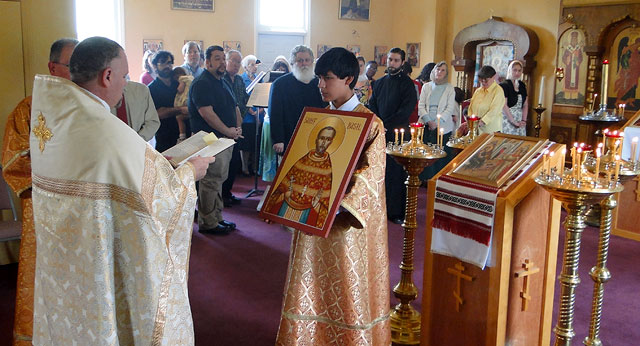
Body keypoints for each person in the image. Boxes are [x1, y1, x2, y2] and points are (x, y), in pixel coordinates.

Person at [28, 36, 213, 345]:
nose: (126, 83)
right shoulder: (105, 128)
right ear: (108, 76)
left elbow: (114, 175)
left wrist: (156, 164)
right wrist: (190, 172)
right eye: (125, 75)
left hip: (64, 263)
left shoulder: (55, 119)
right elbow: (162, 201)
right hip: (97, 265)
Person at [276, 47, 390, 345]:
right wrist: (286, 194)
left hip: (343, 224)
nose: (320, 85)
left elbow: (371, 177)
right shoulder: (317, 119)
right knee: (311, 282)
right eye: (319, 79)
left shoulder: (371, 124)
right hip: (312, 217)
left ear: (349, 79)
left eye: (327, 78)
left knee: (344, 283)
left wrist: (340, 204)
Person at [1, 37, 77, 346]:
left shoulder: (91, 109)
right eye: (75, 66)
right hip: (46, 210)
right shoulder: (29, 109)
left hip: (86, 211)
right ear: (53, 68)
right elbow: (12, 162)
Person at [189, 45, 243, 233]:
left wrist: (237, 128)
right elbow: (207, 113)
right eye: (217, 58)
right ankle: (208, 222)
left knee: (218, 179)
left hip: (225, 138)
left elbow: (234, 106)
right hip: (210, 140)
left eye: (223, 58)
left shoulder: (222, 81)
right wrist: (228, 131)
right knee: (210, 180)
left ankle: (217, 217)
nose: (222, 62)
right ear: (207, 62)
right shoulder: (202, 83)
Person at [367, 47, 417, 224]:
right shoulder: (379, 83)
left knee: (396, 174)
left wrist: (386, 125)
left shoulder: (408, 84)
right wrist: (378, 124)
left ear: (402, 63)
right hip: (380, 134)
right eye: (390, 60)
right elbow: (371, 105)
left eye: (396, 60)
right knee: (380, 171)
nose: (392, 63)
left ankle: (396, 211)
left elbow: (405, 111)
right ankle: (379, 207)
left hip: (398, 135)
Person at [265, 125, 335, 227]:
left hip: (309, 212)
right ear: (316, 139)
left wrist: (316, 205)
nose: (323, 143)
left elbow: (325, 203)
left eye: (328, 139)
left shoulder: (328, 168)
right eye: (322, 138)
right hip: (288, 204)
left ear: (331, 142)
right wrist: (285, 194)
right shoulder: (302, 160)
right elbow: (281, 188)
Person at [269, 45, 327, 154]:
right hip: (289, 136)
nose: (304, 63)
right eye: (300, 60)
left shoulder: (319, 83)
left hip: (315, 137)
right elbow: (275, 114)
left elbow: (325, 108)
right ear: (292, 63)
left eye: (307, 60)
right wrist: (278, 139)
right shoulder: (280, 84)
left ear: (312, 62)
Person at [417, 61, 458, 180]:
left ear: (446, 73)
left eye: (442, 70)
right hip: (426, 123)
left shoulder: (450, 88)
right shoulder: (426, 86)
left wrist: (436, 123)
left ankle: (438, 180)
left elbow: (449, 108)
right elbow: (421, 105)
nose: (439, 72)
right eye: (437, 69)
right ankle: (425, 179)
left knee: (440, 155)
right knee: (426, 153)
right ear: (433, 71)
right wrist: (429, 121)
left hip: (442, 126)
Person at [222, 50, 249, 206]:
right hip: (224, 128)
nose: (237, 65)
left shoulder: (239, 80)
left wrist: (240, 123)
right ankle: (222, 194)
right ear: (226, 61)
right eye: (234, 61)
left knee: (234, 163)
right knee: (224, 164)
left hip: (238, 126)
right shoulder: (221, 79)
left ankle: (228, 192)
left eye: (239, 62)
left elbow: (244, 100)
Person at [148, 50, 190, 151]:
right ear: (154, 66)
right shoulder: (151, 88)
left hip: (186, 136)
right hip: (165, 138)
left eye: (170, 63)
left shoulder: (179, 84)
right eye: (163, 62)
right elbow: (158, 114)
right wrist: (180, 110)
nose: (167, 66)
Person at [467, 65, 505, 134]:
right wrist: (470, 122)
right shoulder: (478, 91)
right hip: (476, 129)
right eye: (481, 80)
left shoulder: (498, 91)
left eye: (486, 80)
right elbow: (471, 107)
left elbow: (494, 110)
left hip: (490, 130)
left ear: (493, 77)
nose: (483, 83)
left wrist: (482, 122)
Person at [500, 60, 528, 136]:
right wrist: (513, 121)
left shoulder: (522, 85)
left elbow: (525, 104)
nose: (517, 73)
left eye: (519, 70)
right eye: (515, 70)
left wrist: (523, 120)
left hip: (520, 119)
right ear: (510, 70)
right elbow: (504, 105)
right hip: (508, 119)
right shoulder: (504, 85)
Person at [172, 66, 193, 141]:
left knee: (179, 118)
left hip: (184, 100)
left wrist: (177, 90)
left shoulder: (182, 79)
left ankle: (182, 137)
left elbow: (180, 89)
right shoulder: (191, 78)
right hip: (190, 100)